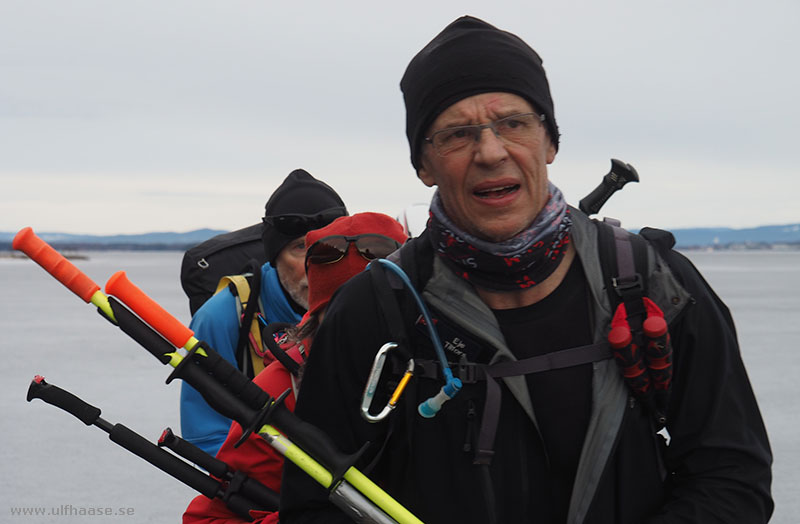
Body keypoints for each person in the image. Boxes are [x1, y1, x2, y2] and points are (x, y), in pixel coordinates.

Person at [279, 16, 773, 524]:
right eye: (456, 134)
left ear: (550, 142)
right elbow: (315, 504)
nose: (491, 152)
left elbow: (732, 478)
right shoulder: (373, 309)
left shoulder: (654, 283)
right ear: (423, 164)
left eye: (513, 123)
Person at [182, 212, 408, 524]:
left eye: (376, 311)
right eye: (344, 315)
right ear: (317, 317)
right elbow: (208, 519)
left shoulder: (441, 369)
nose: (362, 329)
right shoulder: (279, 391)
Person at [181, 169, 348, 456]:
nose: (315, 264)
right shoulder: (221, 317)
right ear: (274, 255)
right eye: (300, 248)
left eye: (329, 248)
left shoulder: (362, 305)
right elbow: (206, 438)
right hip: (262, 487)